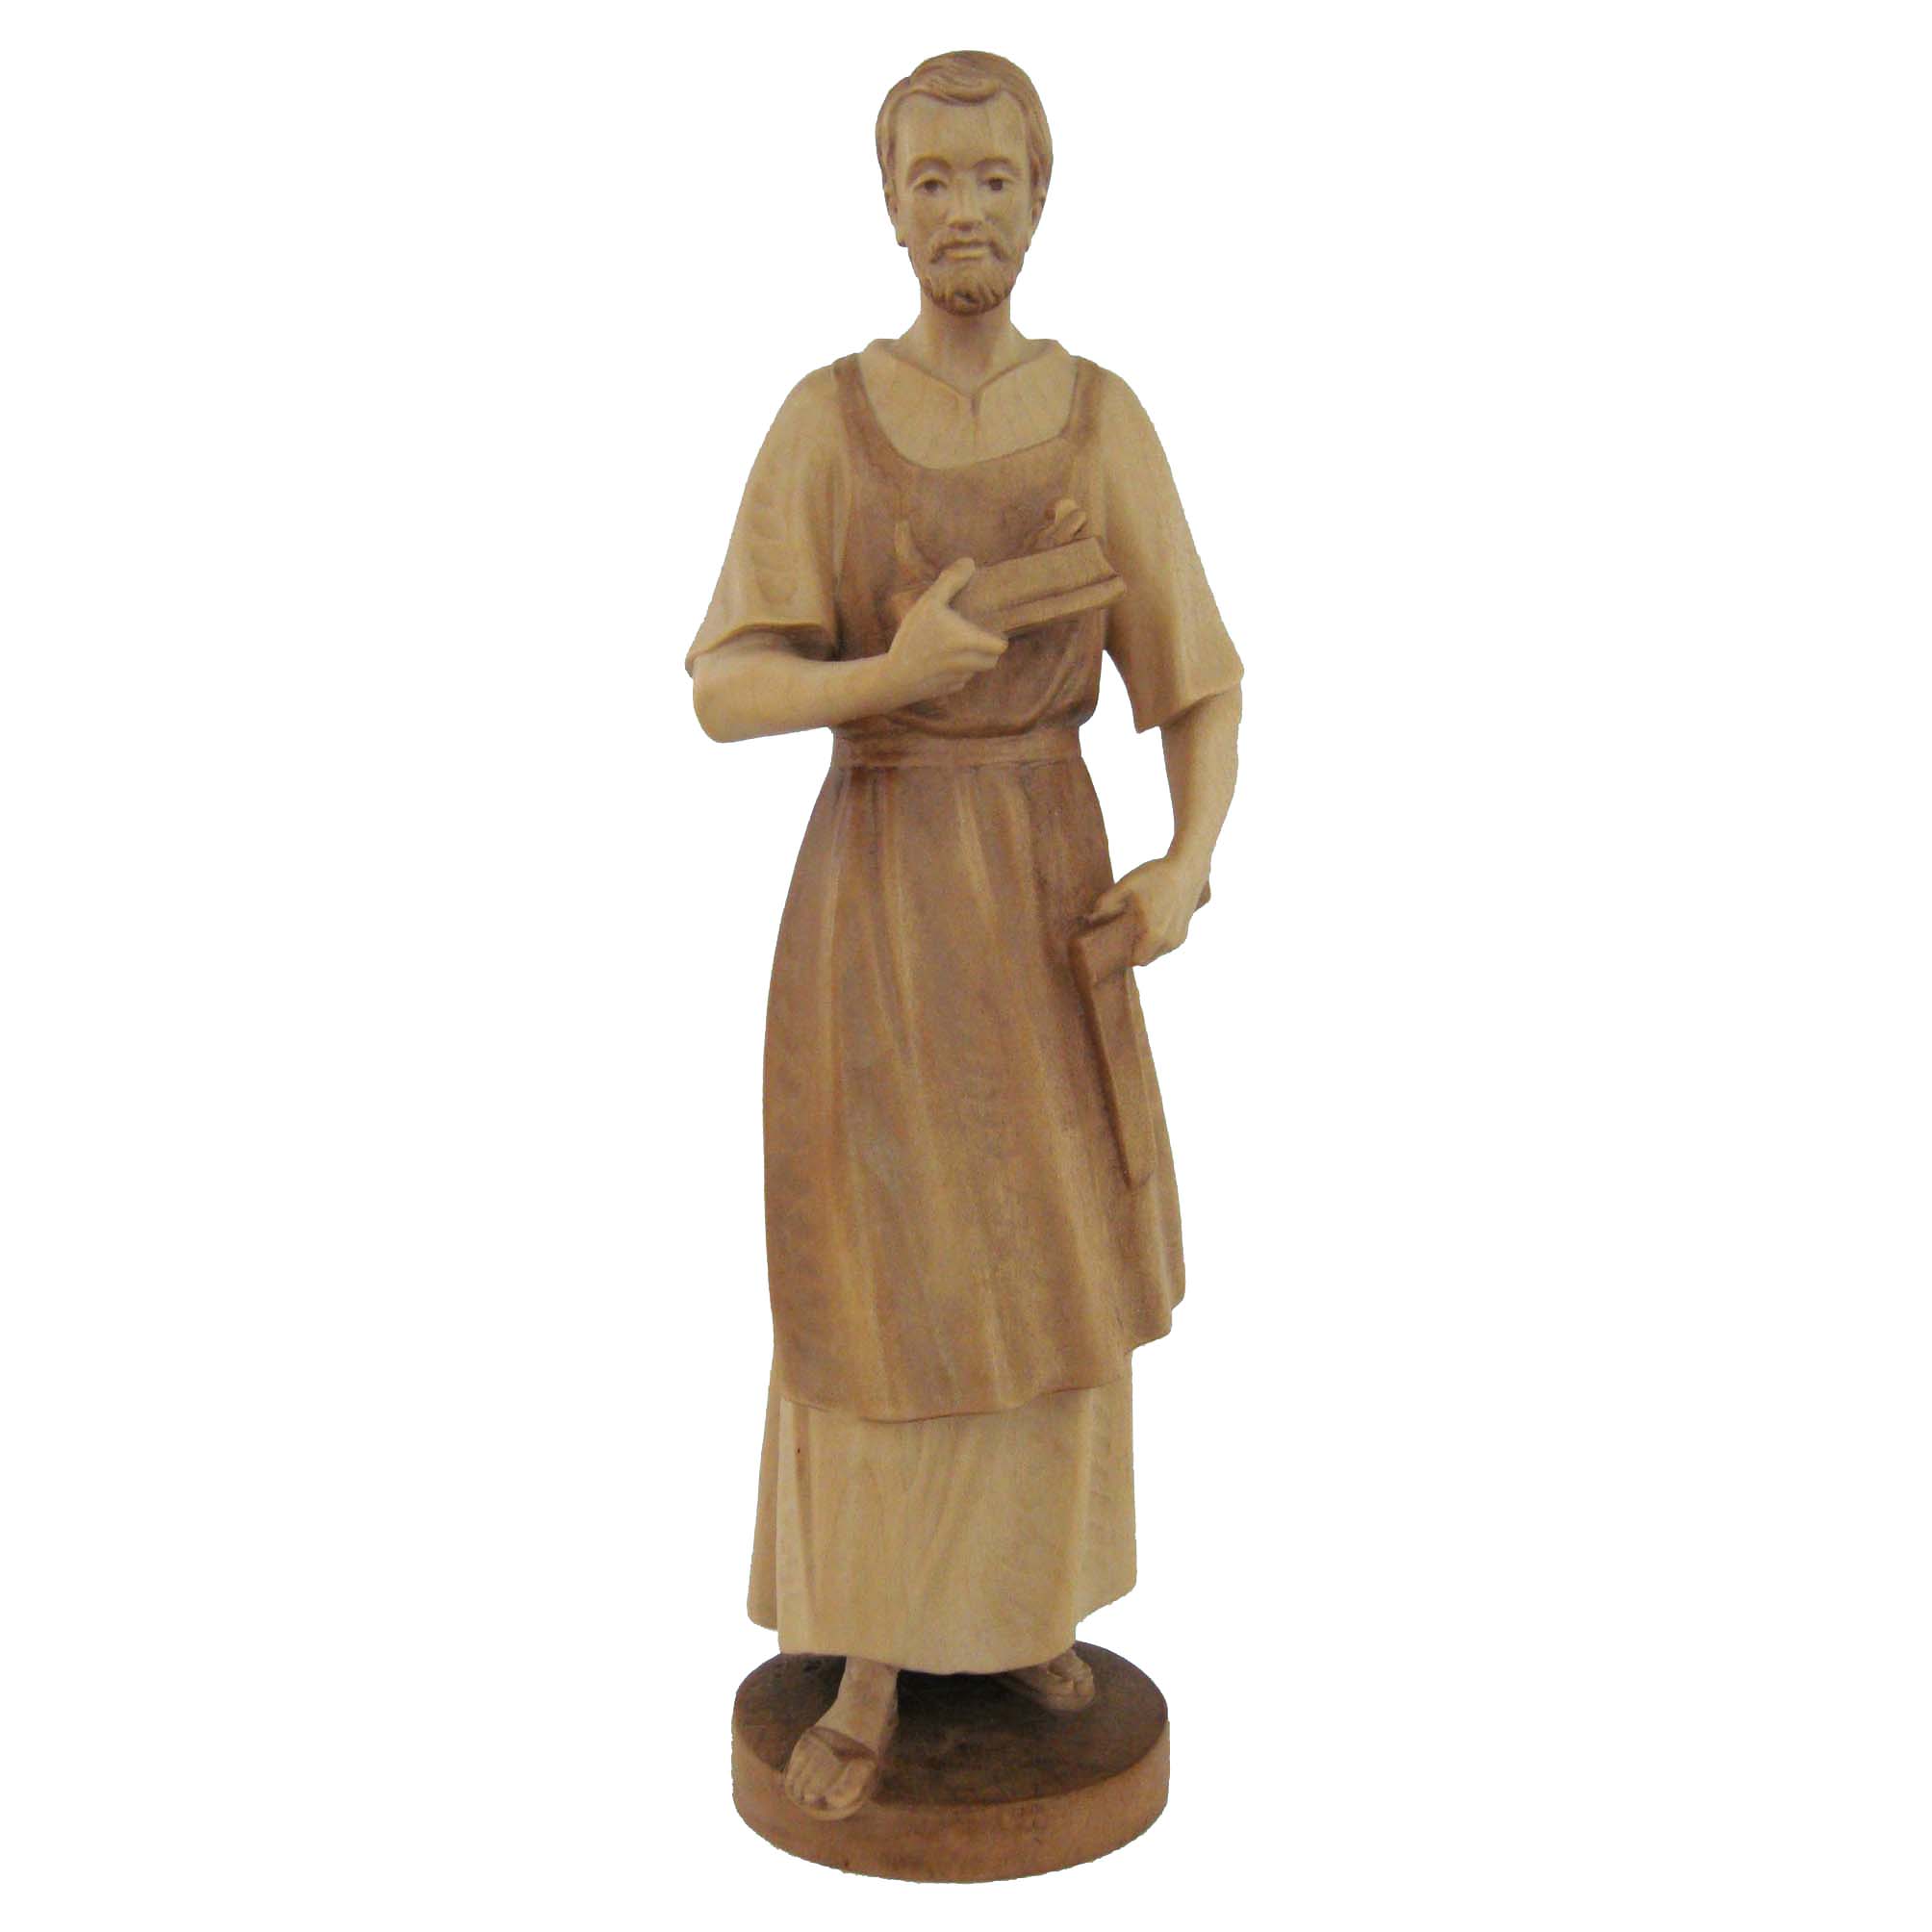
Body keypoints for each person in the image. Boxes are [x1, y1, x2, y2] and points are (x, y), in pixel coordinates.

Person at [688, 50, 1242, 1822]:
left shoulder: (1102, 420)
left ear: (1041, 196)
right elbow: (723, 684)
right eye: (930, 179)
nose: (963, 211)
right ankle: (866, 1652)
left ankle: (1019, 1612)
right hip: (876, 893)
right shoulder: (824, 421)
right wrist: (893, 673)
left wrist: (1189, 862)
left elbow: (1200, 679)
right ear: (888, 202)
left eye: (994, 178)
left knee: (1045, 1255)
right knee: (878, 1277)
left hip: (1045, 896)